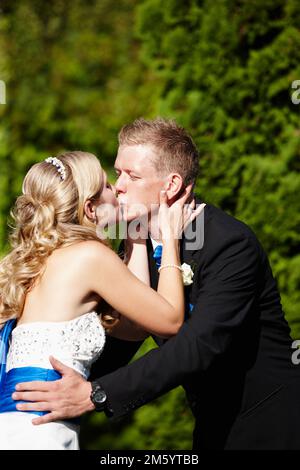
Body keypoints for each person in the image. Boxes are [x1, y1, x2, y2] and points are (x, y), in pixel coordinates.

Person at [13, 119, 300, 450]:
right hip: (210, 428)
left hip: (272, 424)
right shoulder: (137, 246)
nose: (118, 186)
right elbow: (123, 338)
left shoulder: (229, 243)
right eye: (117, 172)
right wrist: (66, 382)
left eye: (132, 176)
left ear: (172, 184)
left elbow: (199, 345)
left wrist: (97, 394)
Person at [0, 150, 202, 450]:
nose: (118, 188)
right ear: (91, 208)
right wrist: (171, 239)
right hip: (39, 431)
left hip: (19, 424)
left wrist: (135, 236)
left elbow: (135, 325)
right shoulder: (90, 257)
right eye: (107, 185)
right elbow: (169, 321)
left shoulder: (43, 261)